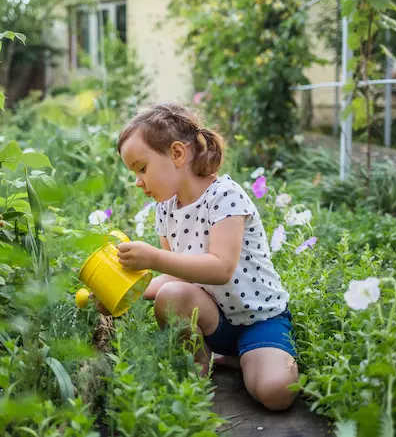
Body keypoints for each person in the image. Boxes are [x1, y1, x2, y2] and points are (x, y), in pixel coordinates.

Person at [108, 102, 298, 411]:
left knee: (276, 392)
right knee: (171, 294)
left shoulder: (225, 195)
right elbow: (175, 276)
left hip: (259, 319)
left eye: (142, 168)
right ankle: (199, 368)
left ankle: (249, 356)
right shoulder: (165, 209)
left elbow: (221, 268)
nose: (138, 181)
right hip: (213, 322)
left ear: (177, 154)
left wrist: (153, 258)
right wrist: (120, 291)